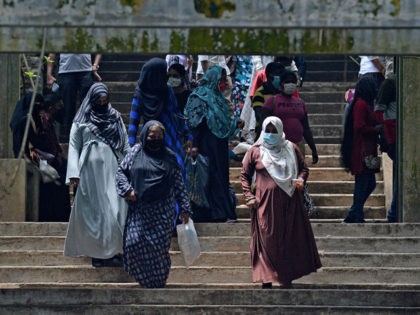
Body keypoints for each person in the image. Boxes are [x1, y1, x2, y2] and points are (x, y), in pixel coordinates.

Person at [241, 116, 321, 289]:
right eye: (267, 131)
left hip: (289, 203)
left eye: (273, 131)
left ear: (280, 130)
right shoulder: (255, 151)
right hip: (264, 204)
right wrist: (248, 195)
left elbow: (303, 168)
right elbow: (245, 175)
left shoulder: (290, 148)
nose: (270, 134)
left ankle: (286, 277)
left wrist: (300, 180)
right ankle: (266, 277)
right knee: (266, 238)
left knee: (288, 239)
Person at [116, 120, 191, 288]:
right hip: (140, 208)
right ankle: (144, 278)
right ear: (144, 136)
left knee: (157, 249)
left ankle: (157, 282)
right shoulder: (135, 152)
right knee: (133, 242)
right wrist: (128, 190)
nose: (155, 139)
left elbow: (179, 183)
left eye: (159, 136)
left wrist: (185, 208)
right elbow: (121, 172)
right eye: (152, 136)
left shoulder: (170, 157)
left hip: (162, 209)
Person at [65, 82, 130, 267]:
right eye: (98, 100)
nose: (102, 103)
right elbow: (73, 145)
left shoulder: (115, 118)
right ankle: (98, 254)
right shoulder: (81, 120)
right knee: (95, 213)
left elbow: (124, 144)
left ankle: (116, 251)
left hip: (111, 168)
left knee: (116, 208)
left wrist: (130, 167)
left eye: (105, 100)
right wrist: (73, 173)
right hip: (89, 172)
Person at [184, 66, 243, 222]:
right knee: (207, 176)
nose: (223, 83)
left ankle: (221, 212)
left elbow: (222, 125)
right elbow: (194, 123)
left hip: (219, 146)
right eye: (222, 79)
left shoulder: (218, 98)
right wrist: (194, 145)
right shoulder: (198, 97)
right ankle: (207, 213)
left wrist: (235, 124)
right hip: (204, 145)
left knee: (220, 176)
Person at [9, 92, 71, 221]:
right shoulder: (24, 121)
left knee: (61, 177)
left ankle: (60, 216)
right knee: (53, 181)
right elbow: (24, 147)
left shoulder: (37, 120)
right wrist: (40, 161)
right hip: (32, 161)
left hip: (43, 160)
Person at [128, 58, 192, 177]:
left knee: (177, 167)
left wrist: (188, 135)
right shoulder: (140, 94)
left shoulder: (166, 90)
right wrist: (131, 147)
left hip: (171, 138)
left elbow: (177, 113)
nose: (166, 76)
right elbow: (133, 122)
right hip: (151, 139)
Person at [341, 76, 381, 223]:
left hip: (366, 149)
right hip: (361, 150)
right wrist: (376, 129)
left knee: (369, 183)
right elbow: (359, 126)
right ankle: (355, 212)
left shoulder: (363, 104)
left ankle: (355, 211)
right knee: (364, 183)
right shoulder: (361, 104)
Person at [46, 53, 102, 142]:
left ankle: (86, 137)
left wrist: (95, 65)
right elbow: (52, 53)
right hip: (65, 72)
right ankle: (70, 138)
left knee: (87, 107)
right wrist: (48, 74)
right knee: (68, 108)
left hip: (85, 71)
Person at [375, 57, 397, 222]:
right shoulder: (389, 84)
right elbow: (379, 112)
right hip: (393, 132)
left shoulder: (392, 83)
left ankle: (394, 212)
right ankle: (393, 212)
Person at [251, 62, 285, 139]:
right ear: (270, 75)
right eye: (279, 74)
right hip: (265, 135)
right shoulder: (260, 92)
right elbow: (259, 115)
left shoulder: (282, 92)